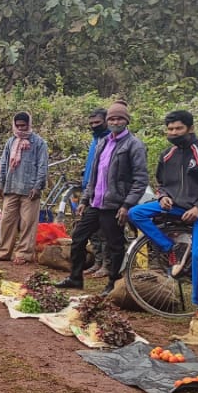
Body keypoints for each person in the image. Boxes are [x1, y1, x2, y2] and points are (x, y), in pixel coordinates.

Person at [127, 110, 198, 307]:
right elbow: (162, 183)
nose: (174, 133)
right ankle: (168, 247)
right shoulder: (167, 155)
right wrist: (163, 196)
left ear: (190, 128)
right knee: (135, 213)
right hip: (176, 207)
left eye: (178, 128)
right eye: (170, 129)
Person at [57, 101, 149, 294]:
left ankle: (113, 283)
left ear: (126, 120)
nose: (115, 122)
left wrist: (127, 205)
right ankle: (75, 278)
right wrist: (85, 200)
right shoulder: (103, 143)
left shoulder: (134, 145)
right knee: (78, 238)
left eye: (119, 118)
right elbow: (94, 176)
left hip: (115, 204)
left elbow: (140, 180)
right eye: (112, 119)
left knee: (115, 244)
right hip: (96, 203)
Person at [0, 112, 49, 264]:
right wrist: (1, 184)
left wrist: (37, 187)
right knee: (6, 221)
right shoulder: (11, 142)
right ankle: (4, 251)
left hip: (29, 189)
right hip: (11, 187)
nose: (20, 128)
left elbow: (42, 166)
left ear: (29, 124)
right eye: (18, 126)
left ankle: (24, 253)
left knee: (28, 223)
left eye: (23, 125)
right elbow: (3, 163)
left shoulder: (39, 143)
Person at [80, 109, 111, 277]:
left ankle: (107, 264)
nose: (94, 126)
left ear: (106, 121)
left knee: (106, 231)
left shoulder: (111, 140)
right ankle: (98, 262)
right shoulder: (95, 140)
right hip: (90, 190)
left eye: (97, 123)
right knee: (94, 231)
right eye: (91, 123)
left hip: (105, 192)